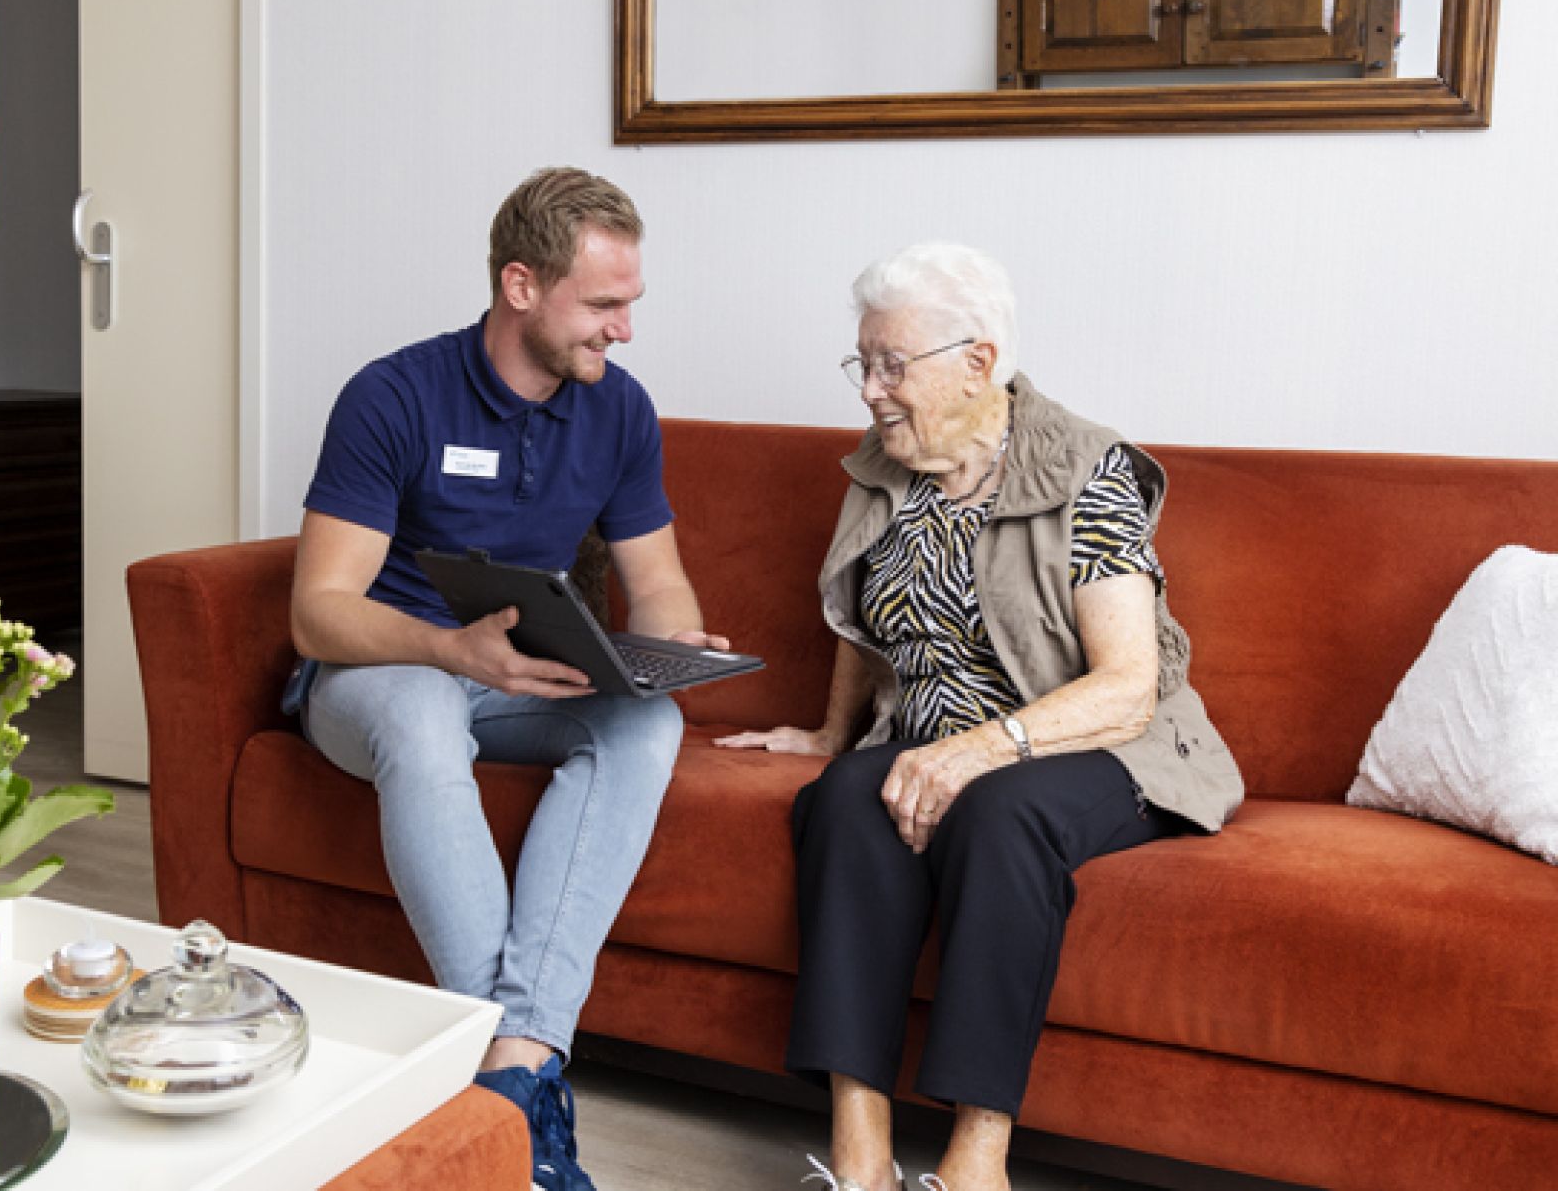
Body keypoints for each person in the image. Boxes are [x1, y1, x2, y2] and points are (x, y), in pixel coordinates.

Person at [718, 243, 1243, 1191]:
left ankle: (976, 1163)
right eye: (863, 363)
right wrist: (835, 737)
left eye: (892, 366)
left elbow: (1127, 684)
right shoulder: (888, 469)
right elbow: (859, 618)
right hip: (941, 738)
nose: (871, 391)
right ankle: (860, 1158)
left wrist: (976, 753)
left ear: (977, 360)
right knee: (845, 798)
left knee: (1002, 814)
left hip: (1100, 744)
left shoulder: (1086, 469)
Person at [291, 166, 724, 1191]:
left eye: (631, 304)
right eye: (604, 305)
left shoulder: (618, 411)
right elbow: (318, 609)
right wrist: (449, 649)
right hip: (379, 675)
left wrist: (672, 646)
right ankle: (522, 1093)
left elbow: (655, 582)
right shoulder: (392, 394)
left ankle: (510, 1071)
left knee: (645, 726)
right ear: (520, 286)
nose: (623, 330)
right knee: (424, 706)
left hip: (523, 679)